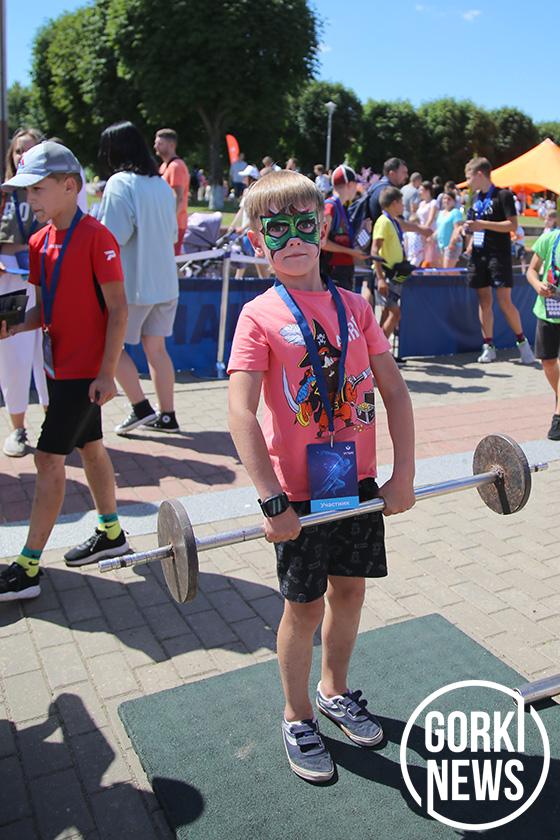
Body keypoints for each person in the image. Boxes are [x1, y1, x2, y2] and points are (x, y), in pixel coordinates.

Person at [227, 169, 415, 783]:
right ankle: (298, 714)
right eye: (276, 229)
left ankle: (334, 691)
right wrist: (271, 501)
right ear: (257, 241)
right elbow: (239, 413)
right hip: (297, 496)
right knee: (302, 608)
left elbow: (395, 393)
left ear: (323, 225)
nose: (292, 239)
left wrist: (403, 475)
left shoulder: (355, 307)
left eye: (303, 225)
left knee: (350, 592)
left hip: (355, 484)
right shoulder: (257, 316)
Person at [0, 141, 130, 600]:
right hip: (59, 371)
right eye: (26, 190)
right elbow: (45, 311)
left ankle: (28, 566)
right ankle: (111, 533)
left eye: (37, 189)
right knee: (91, 448)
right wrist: (14, 325)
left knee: (47, 458)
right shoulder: (39, 241)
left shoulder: (97, 237)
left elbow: (119, 309)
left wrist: (106, 373)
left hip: (85, 375)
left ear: (70, 186)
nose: (29, 198)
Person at [98, 121, 180, 434]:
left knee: (108, 345)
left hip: (133, 286)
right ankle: (167, 415)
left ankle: (140, 406)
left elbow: (112, 236)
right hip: (165, 283)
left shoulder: (120, 183)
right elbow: (172, 234)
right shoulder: (161, 186)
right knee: (157, 349)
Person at [0, 128, 49, 457]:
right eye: (19, 150)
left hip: (45, 281)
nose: (22, 156)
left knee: (48, 357)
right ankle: (17, 429)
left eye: (30, 150)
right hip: (9, 284)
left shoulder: (52, 193)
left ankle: (55, 425)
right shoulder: (4, 193)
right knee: (13, 360)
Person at [463, 157, 535, 365]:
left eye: (469, 177)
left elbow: (512, 225)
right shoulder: (475, 199)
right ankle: (488, 346)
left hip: (499, 255)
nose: (468, 182)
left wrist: (483, 224)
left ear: (479, 174)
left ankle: (523, 344)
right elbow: (474, 225)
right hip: (479, 255)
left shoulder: (503, 195)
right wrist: (467, 230)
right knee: (484, 301)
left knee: (505, 301)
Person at [526, 228, 560, 439]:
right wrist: (538, 285)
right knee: (548, 362)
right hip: (547, 311)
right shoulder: (550, 238)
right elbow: (531, 270)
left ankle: (558, 417)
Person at [372, 187, 413, 339]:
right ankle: (380, 350)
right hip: (385, 274)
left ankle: (377, 349)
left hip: (394, 274)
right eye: (401, 202)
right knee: (395, 313)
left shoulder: (393, 221)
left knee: (386, 313)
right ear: (394, 203)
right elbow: (374, 250)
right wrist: (380, 279)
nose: (403, 206)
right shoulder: (384, 222)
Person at [321, 164, 367, 292]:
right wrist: (351, 252)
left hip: (343, 270)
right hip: (333, 272)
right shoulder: (330, 207)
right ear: (350, 184)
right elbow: (322, 242)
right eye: (356, 185)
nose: (357, 189)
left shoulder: (341, 207)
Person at [153, 128, 190, 256]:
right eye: (156, 143)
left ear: (171, 145)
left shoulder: (176, 166)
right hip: (167, 222)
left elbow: (178, 198)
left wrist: (169, 222)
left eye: (160, 143)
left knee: (170, 259)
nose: (155, 146)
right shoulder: (164, 166)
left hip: (174, 224)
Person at [435, 191, 464, 269]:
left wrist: (452, 243)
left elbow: (457, 229)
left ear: (454, 201)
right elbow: (439, 228)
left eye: (449, 199)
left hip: (452, 246)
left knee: (447, 270)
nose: (446, 201)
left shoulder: (456, 212)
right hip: (441, 246)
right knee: (444, 271)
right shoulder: (440, 213)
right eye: (444, 198)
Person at [416, 181, 439, 267]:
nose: (419, 192)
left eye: (421, 190)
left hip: (430, 231)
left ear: (427, 191)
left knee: (431, 256)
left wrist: (424, 230)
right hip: (421, 232)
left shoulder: (433, 203)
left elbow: (431, 218)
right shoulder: (421, 203)